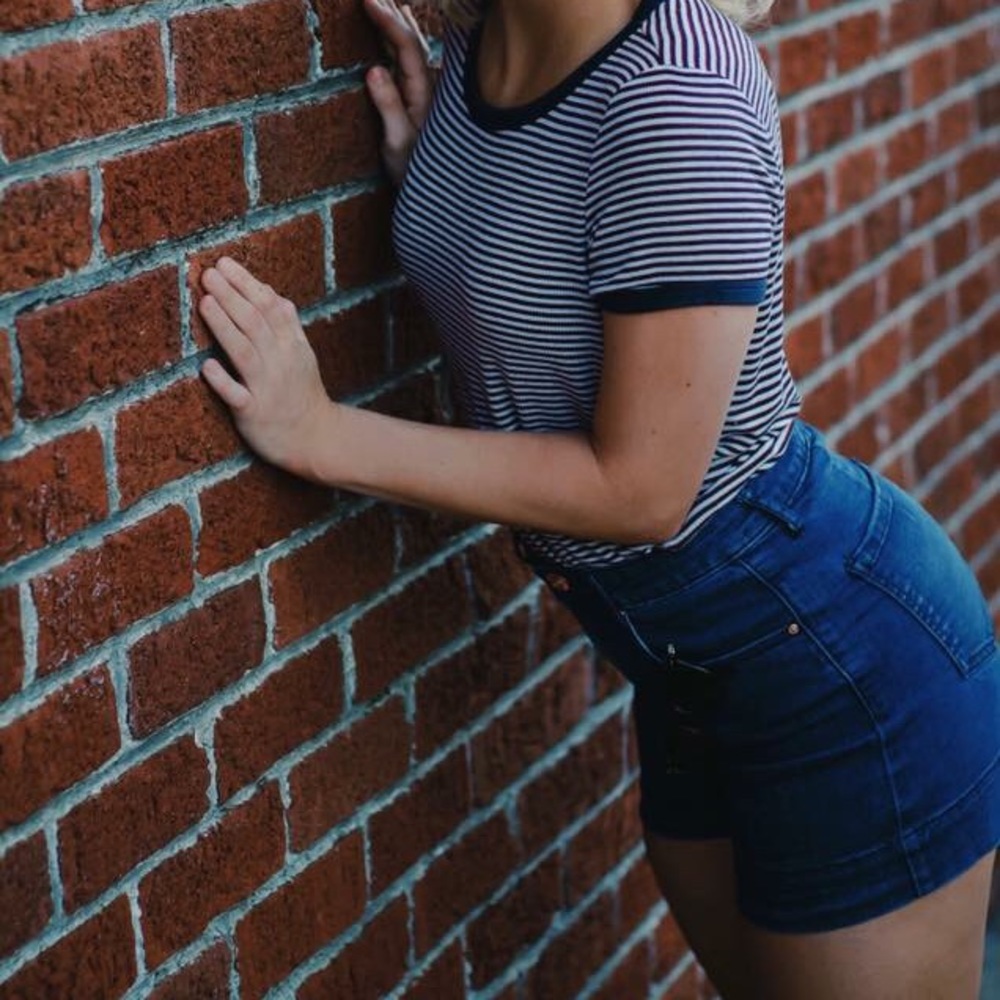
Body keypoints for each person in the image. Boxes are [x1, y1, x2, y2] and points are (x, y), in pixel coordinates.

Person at [196, 0, 1000, 995]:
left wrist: (322, 435)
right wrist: (439, 180)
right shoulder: (483, 37)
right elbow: (545, 253)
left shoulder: (679, 89)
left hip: (837, 666)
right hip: (685, 671)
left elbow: (643, 488)